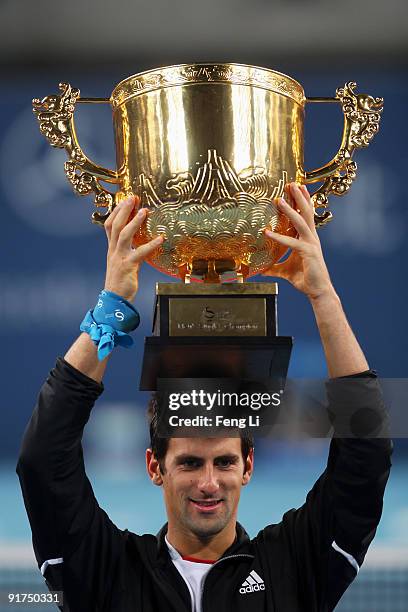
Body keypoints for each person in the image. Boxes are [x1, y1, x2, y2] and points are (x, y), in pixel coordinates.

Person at [17, 184, 392, 612]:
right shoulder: (105, 571)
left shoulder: (296, 564)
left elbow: (369, 451)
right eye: (190, 462)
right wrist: (111, 309)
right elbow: (41, 459)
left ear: (248, 465)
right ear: (154, 466)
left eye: (225, 462)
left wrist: (324, 297)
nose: (209, 484)